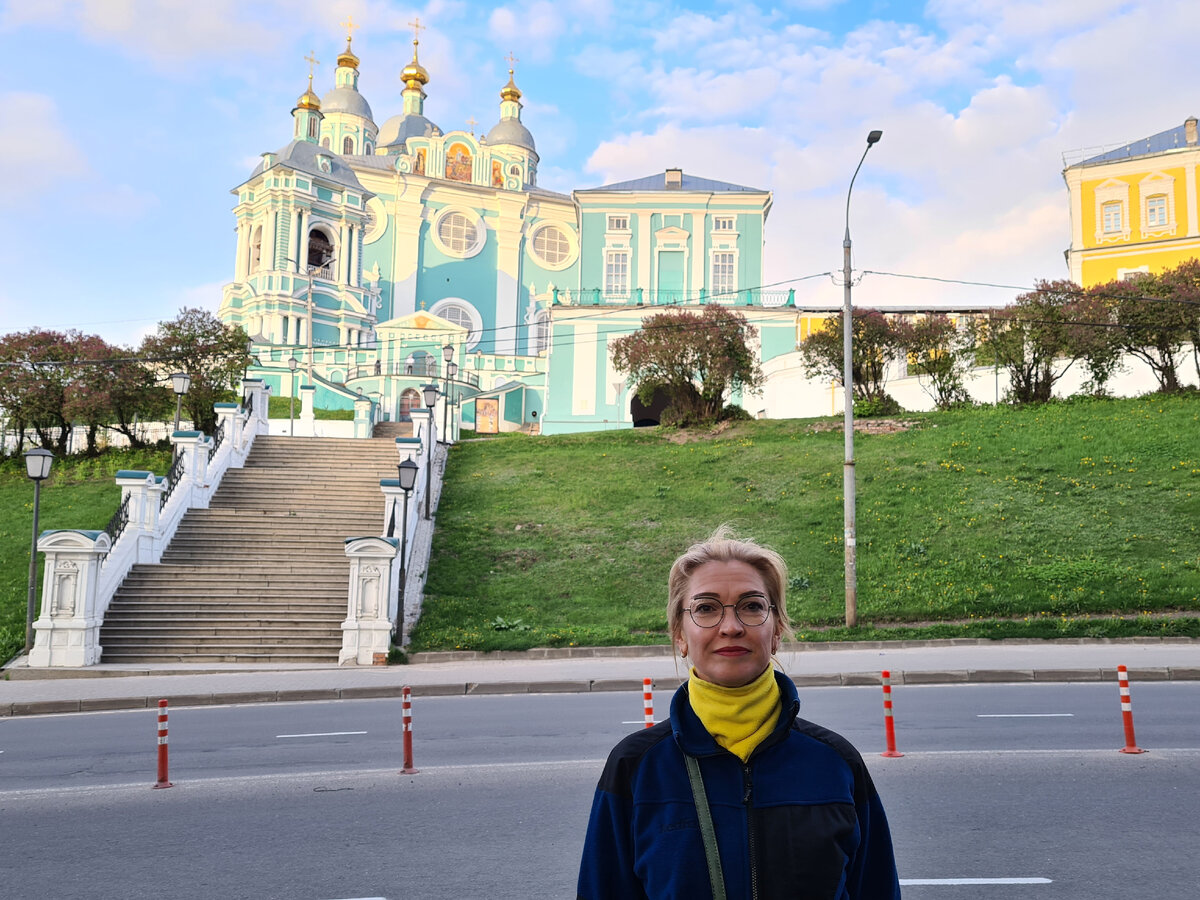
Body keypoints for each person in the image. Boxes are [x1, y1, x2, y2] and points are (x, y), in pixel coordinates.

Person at [578, 528, 902, 899]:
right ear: (679, 635)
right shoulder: (635, 768)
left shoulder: (835, 764)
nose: (730, 627)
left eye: (751, 606)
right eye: (706, 608)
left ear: (776, 629)